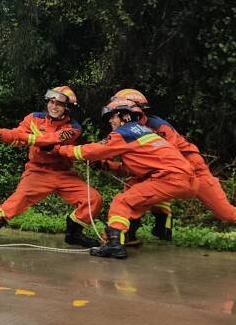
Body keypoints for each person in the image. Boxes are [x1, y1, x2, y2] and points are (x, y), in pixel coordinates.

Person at [53, 97, 196, 259]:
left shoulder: (125, 132)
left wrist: (62, 150)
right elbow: (132, 169)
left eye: (113, 117)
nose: (110, 121)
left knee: (122, 202)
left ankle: (115, 245)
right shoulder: (144, 132)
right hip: (184, 179)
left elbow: (92, 151)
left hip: (169, 178)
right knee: (133, 193)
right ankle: (140, 231)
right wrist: (105, 165)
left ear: (125, 116)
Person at [117, 89, 236, 245]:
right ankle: (128, 234)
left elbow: (167, 157)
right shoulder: (127, 130)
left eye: (120, 110)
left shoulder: (159, 128)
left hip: (193, 170)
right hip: (167, 172)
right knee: (132, 189)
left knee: (225, 212)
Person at [0, 86, 101, 248]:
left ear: (67, 108)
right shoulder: (33, 118)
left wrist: (3, 132)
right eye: (51, 102)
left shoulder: (73, 128)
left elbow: (48, 141)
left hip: (63, 173)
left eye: (59, 104)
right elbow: (18, 136)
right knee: (17, 201)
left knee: (93, 198)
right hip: (37, 171)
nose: (53, 106)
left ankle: (74, 233)